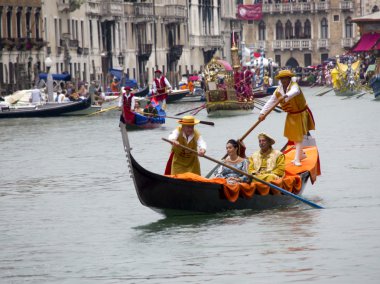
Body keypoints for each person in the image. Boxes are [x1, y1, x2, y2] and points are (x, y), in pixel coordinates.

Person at [258, 69, 315, 166]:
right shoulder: (278, 90)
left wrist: (285, 96)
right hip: (291, 114)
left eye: (285, 78)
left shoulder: (294, 85)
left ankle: (297, 159)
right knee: (292, 136)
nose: (283, 80)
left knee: (298, 136)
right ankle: (301, 154)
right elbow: (271, 102)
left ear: (289, 79)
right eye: (281, 78)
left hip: (300, 113)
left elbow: (295, 92)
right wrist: (262, 113)